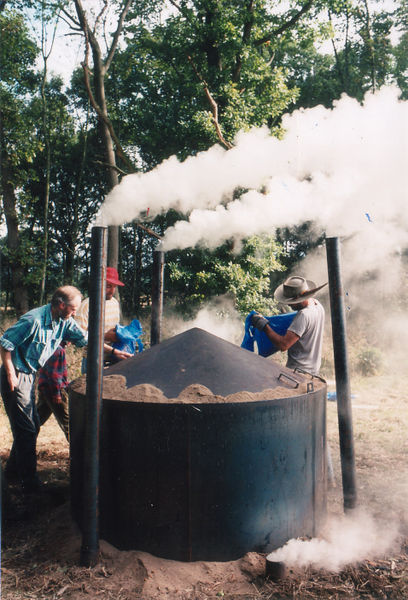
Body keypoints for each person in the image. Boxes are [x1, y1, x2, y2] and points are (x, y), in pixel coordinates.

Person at [0, 285, 130, 493]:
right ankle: (29, 486)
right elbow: (6, 343)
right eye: (73, 309)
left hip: (30, 374)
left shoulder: (64, 321)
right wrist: (9, 373)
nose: (75, 313)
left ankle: (13, 472)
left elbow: (87, 339)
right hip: (16, 374)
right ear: (61, 305)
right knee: (27, 430)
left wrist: (115, 351)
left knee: (31, 425)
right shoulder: (33, 320)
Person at [251, 275, 327, 376]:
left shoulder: (303, 316)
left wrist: (265, 326)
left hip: (298, 373)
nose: (288, 304)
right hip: (313, 372)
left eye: (291, 301)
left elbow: (284, 345)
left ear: (297, 298)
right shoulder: (318, 306)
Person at [75, 266, 125, 370]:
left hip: (114, 358)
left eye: (114, 286)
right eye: (108, 286)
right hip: (93, 360)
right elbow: (80, 339)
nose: (112, 290)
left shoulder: (114, 303)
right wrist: (105, 336)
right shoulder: (86, 306)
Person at [36, 342, 70, 441]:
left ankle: (20, 451)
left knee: (36, 421)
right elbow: (54, 374)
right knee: (68, 423)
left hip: (46, 389)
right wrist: (57, 394)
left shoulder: (51, 346)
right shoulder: (57, 349)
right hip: (54, 390)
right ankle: (79, 454)